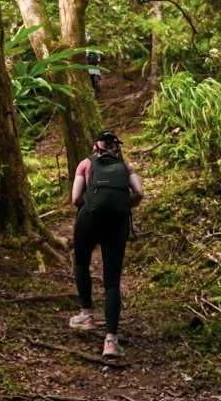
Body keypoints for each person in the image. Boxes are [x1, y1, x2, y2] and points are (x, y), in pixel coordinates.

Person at [68, 130, 144, 360]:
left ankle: (87, 315)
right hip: (117, 224)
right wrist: (123, 208)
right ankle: (111, 341)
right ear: (115, 147)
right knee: (112, 281)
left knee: (81, 262)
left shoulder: (85, 164)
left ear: (96, 146)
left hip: (89, 220)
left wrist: (90, 209)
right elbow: (139, 193)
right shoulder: (125, 167)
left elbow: (74, 199)